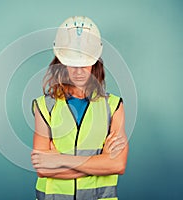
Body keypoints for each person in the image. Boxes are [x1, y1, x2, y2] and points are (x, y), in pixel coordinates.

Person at [31, 16, 129, 200]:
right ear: (61, 62)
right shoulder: (44, 107)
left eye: (84, 62)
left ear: (95, 61)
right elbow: (43, 168)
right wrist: (100, 163)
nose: (78, 70)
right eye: (72, 63)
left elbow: (117, 165)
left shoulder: (114, 106)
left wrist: (59, 160)